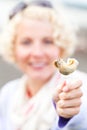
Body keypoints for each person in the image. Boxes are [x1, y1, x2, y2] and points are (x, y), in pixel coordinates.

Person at [0, 0, 87, 130]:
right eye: (26, 42)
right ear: (13, 47)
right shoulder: (8, 93)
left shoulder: (79, 85)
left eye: (48, 41)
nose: (37, 53)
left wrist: (69, 113)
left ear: (61, 46)